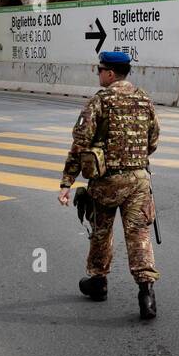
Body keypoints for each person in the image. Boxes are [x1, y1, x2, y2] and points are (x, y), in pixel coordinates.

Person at [57, 50, 161, 319]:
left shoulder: (99, 102)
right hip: (138, 179)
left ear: (110, 74)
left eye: (99, 70)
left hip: (106, 181)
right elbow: (153, 141)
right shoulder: (144, 99)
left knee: (102, 231)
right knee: (139, 234)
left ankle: (99, 281)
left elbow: (80, 144)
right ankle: (146, 293)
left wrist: (67, 181)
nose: (98, 74)